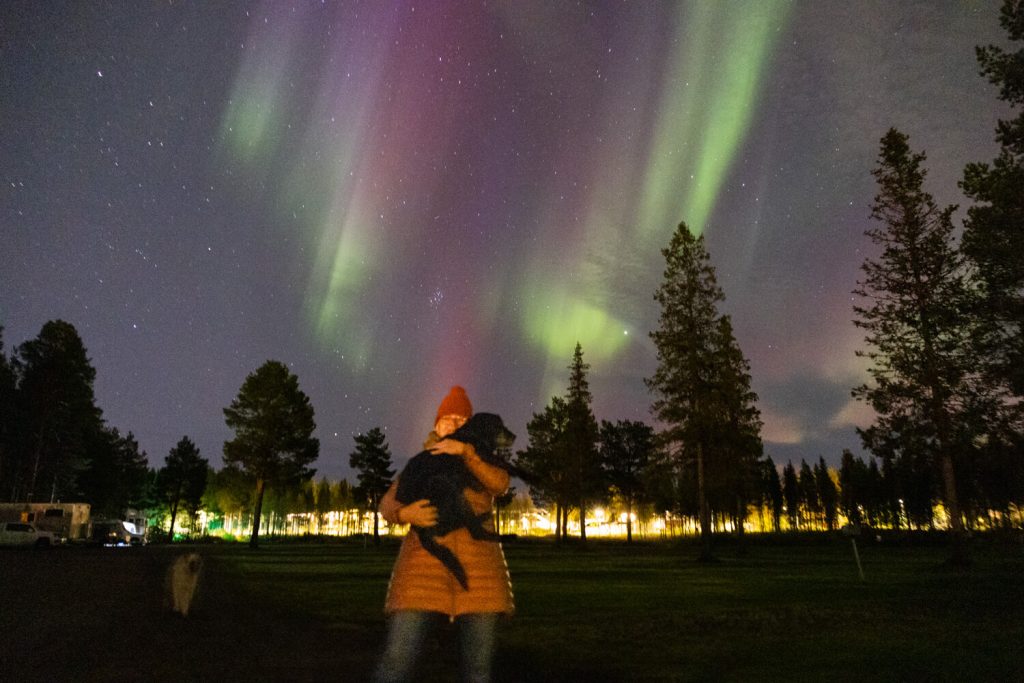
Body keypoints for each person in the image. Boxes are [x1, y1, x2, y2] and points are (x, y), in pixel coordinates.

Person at [373, 386, 515, 683]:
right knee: (397, 662)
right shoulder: (423, 462)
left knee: (478, 671)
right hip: (420, 573)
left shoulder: (482, 459)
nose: (453, 424)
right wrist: (404, 514)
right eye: (446, 419)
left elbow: (500, 485)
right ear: (436, 425)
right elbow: (388, 504)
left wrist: (468, 453)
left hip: (480, 577)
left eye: (461, 419)